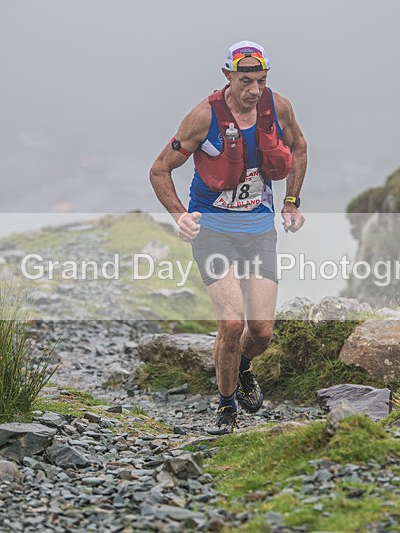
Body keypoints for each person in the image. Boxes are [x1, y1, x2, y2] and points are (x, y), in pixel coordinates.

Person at [149, 41, 308, 435]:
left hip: (257, 231)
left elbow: (299, 148)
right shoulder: (203, 118)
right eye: (246, 81)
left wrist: (290, 202)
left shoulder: (278, 108)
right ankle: (226, 405)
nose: (255, 90)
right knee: (232, 324)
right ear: (228, 77)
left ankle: (242, 366)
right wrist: (179, 216)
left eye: (262, 81)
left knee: (262, 332)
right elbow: (159, 170)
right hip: (213, 231)